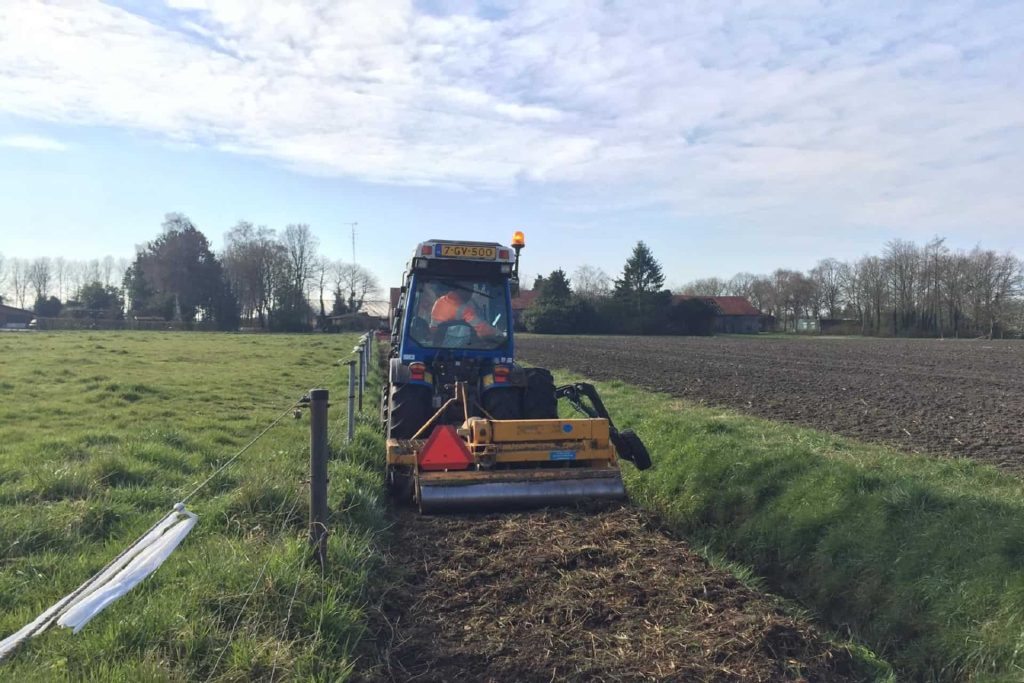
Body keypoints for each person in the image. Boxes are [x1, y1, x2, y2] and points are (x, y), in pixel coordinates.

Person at [430, 285, 496, 339]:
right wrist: (498, 334)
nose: (471, 294)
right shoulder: (462, 309)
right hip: (456, 344)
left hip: (437, 342)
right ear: (461, 290)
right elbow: (481, 328)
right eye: (470, 291)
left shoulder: (439, 301)